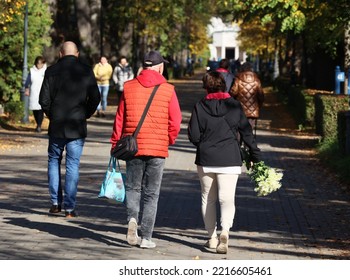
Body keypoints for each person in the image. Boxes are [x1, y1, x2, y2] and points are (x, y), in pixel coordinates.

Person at [110, 50, 182, 249]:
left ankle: (132, 219)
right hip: (157, 148)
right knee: (152, 193)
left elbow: (120, 118)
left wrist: (115, 141)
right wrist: (168, 139)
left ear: (144, 66)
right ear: (160, 67)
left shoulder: (128, 87)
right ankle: (146, 237)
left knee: (133, 188)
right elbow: (175, 120)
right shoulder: (168, 89)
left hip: (133, 146)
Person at [187, 71, 262, 254]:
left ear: (206, 87)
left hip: (206, 159)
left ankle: (212, 238)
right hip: (230, 158)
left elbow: (194, 135)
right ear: (224, 85)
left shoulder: (199, 106)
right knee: (227, 199)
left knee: (208, 198)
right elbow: (246, 133)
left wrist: (205, 144)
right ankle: (225, 232)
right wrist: (255, 154)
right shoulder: (235, 106)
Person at [39, 41, 101, 218]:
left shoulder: (51, 71)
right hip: (77, 125)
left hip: (57, 125)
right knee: (73, 165)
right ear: (77, 54)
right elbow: (95, 97)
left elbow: (43, 99)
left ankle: (55, 203)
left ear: (60, 54)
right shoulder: (86, 70)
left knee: (53, 161)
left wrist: (53, 115)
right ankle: (70, 208)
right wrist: (85, 113)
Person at [230, 62, 265, 132]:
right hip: (252, 111)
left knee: (239, 130)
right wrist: (258, 106)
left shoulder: (238, 79)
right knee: (249, 131)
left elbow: (233, 93)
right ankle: (248, 142)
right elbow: (261, 96)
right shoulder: (257, 81)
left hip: (239, 109)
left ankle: (239, 142)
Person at [24, 56, 47, 132]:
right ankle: (38, 123)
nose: (39, 65)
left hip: (43, 92)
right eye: (38, 63)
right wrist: (26, 88)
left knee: (40, 109)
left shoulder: (46, 71)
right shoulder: (32, 71)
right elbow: (28, 81)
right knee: (35, 109)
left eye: (40, 64)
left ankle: (39, 125)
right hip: (34, 92)